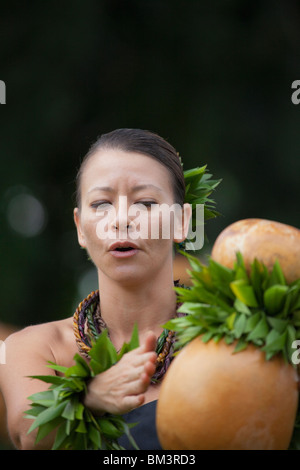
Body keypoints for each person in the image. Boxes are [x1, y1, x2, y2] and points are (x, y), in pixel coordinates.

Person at [0, 128, 193, 450]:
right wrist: (92, 396)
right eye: (101, 204)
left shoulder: (228, 343)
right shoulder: (34, 348)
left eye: (145, 202)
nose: (120, 219)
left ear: (181, 222)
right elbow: (28, 434)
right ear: (80, 227)